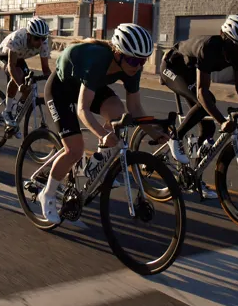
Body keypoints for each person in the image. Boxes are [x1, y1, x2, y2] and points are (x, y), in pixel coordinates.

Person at [39, 23, 183, 224]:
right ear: (117, 53)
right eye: (134, 60)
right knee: (74, 149)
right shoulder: (98, 60)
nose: (138, 66)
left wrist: (154, 133)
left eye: (143, 60)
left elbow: (135, 108)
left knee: (118, 112)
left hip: (91, 86)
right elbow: (83, 109)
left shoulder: (133, 67)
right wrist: (102, 134)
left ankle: (95, 165)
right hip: (61, 90)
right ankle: (48, 194)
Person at [159, 14, 238, 198]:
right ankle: (175, 137)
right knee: (208, 100)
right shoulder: (209, 48)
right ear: (226, 39)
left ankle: (194, 178)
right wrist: (222, 121)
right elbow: (202, 92)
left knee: (207, 127)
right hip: (173, 68)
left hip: (191, 73)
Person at [0, 17, 52, 128]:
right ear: (29, 35)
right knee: (18, 76)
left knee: (28, 86)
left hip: (19, 58)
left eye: (43, 38)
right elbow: (11, 66)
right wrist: (19, 85)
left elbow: (46, 69)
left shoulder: (44, 44)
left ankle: (15, 114)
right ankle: (7, 111)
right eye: (37, 38)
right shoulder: (18, 38)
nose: (40, 42)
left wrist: (54, 84)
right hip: (3, 57)